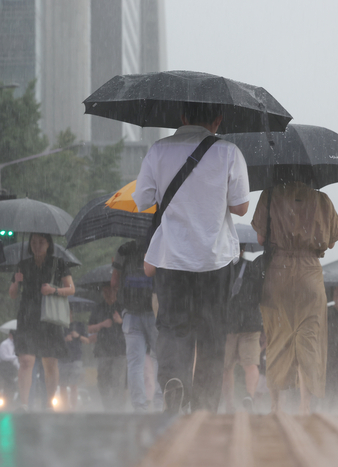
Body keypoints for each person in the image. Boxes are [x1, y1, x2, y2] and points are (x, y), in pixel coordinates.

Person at [133, 102, 250, 414]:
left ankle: (174, 380)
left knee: (173, 326)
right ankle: (204, 405)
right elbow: (240, 207)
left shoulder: (158, 151)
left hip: (172, 258)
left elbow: (143, 199)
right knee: (212, 333)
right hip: (215, 260)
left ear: (182, 117)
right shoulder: (229, 152)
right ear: (218, 119)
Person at [251, 181, 338, 415]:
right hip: (309, 272)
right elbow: (332, 242)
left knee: (277, 338)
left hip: (278, 272)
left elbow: (261, 239)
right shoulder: (321, 200)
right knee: (309, 339)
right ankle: (305, 405)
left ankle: (276, 406)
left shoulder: (270, 194)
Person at [9, 233, 75, 412]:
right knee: (26, 359)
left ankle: (49, 403)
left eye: (41, 242)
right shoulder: (22, 265)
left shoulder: (58, 263)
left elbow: (71, 288)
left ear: (48, 244)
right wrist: (16, 281)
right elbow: (13, 293)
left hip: (48, 316)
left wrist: (54, 290)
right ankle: (23, 404)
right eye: (33, 242)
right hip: (27, 315)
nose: (37, 246)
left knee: (50, 361)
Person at [112, 239, 162, 412]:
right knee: (160, 359)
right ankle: (160, 402)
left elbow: (113, 282)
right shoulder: (158, 243)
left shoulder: (124, 249)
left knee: (135, 364)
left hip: (131, 313)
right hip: (155, 311)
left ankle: (139, 407)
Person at [222, 251, 263, 413]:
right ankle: (249, 396)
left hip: (228, 323)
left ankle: (229, 404)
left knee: (227, 367)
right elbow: (262, 295)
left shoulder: (223, 268)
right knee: (251, 363)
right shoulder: (253, 268)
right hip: (251, 324)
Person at [88, 283, 127, 411]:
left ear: (115, 290)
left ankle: (116, 408)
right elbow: (89, 328)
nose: (107, 294)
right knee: (102, 381)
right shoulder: (98, 308)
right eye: (105, 292)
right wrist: (101, 325)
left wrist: (120, 321)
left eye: (109, 291)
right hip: (102, 350)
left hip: (120, 350)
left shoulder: (122, 307)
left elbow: (132, 327)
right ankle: (107, 407)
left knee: (118, 381)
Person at [59, 312, 88, 411]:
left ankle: (73, 408)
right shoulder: (60, 326)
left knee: (74, 385)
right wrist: (64, 339)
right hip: (63, 359)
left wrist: (78, 336)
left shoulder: (79, 325)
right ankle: (65, 407)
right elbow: (54, 342)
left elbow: (87, 341)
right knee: (63, 385)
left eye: (70, 312)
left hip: (76, 359)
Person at [0, 330, 20, 405]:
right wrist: (14, 357)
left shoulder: (16, 344)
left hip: (12, 368)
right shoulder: (4, 344)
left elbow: (16, 360)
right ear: (10, 335)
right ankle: (6, 400)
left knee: (13, 383)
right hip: (5, 366)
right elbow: (4, 357)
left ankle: (11, 400)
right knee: (9, 383)